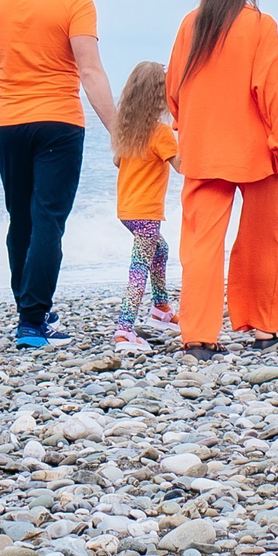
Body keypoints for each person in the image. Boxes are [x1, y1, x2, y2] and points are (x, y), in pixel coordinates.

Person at [0, 0, 117, 349]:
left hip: (9, 122)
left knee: (20, 219)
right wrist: (118, 130)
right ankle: (34, 323)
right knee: (48, 222)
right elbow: (90, 71)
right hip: (57, 121)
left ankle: (29, 311)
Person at [165, 0, 278, 360]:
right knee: (264, 240)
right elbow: (269, 91)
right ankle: (265, 327)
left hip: (203, 150)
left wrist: (184, 128)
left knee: (201, 247)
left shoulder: (192, 23)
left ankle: (199, 338)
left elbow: (173, 89)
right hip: (256, 152)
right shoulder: (261, 25)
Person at [108, 61, 180, 352]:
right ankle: (124, 330)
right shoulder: (161, 133)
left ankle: (161, 308)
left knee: (160, 251)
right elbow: (183, 166)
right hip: (147, 213)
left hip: (127, 211)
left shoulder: (128, 131)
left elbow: (118, 162)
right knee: (139, 269)